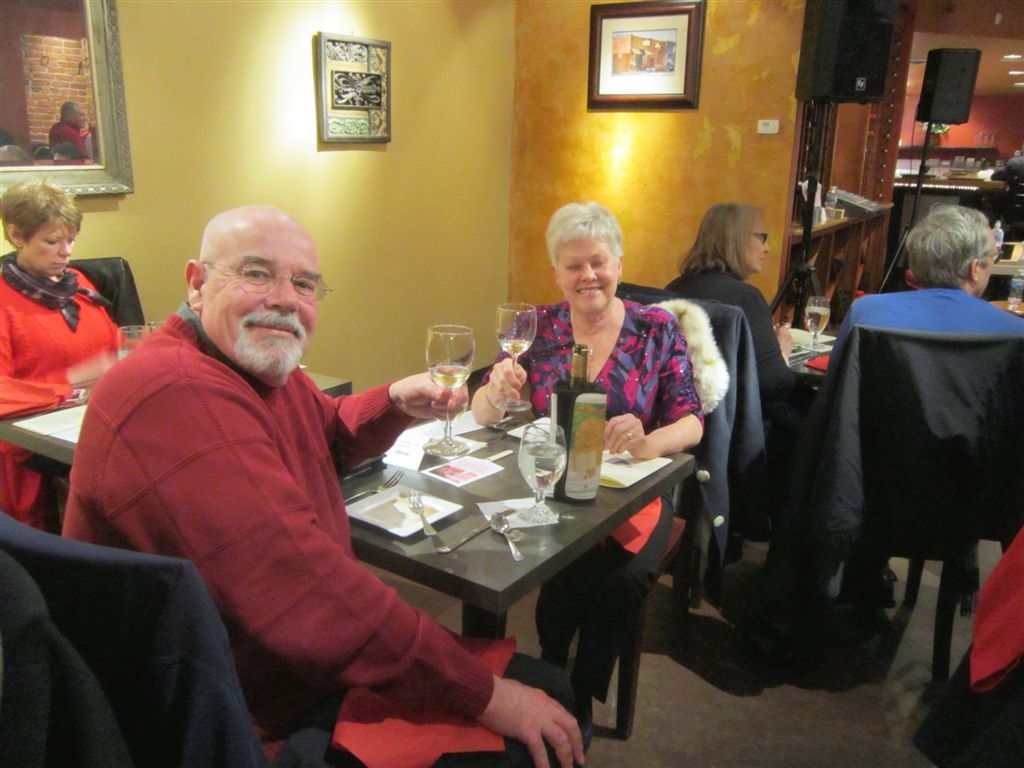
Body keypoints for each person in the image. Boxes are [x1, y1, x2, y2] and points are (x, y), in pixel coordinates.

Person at [62, 205, 584, 768]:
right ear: (197, 283)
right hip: (233, 718)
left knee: (549, 693)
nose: (285, 299)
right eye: (257, 273)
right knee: (534, 731)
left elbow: (324, 429)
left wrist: (393, 402)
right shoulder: (173, 390)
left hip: (286, 668)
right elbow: (309, 596)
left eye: (305, 284)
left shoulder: (253, 370)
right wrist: (487, 694)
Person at [471, 201, 704, 734]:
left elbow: (692, 422)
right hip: (551, 483)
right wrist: (496, 391)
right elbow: (483, 413)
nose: (588, 276)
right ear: (557, 272)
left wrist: (647, 442)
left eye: (598, 262)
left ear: (619, 264)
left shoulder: (656, 327)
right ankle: (544, 666)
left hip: (633, 486)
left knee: (621, 579)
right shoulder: (540, 327)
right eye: (573, 265)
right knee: (541, 561)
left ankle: (579, 688)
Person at [664, 202, 801, 524]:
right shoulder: (746, 298)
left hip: (682, 427)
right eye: (762, 237)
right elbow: (774, 383)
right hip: (738, 437)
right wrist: (782, 350)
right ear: (736, 239)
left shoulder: (671, 289)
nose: (767, 248)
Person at [1, 180, 117, 532]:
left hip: (89, 422)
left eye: (71, 240)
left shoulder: (78, 282)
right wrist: (68, 390)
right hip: (29, 448)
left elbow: (112, 345)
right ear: (17, 236)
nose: (66, 252)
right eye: (53, 242)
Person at [830, 204, 1023, 359]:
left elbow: (840, 386)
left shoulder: (865, 312)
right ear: (975, 269)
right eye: (993, 257)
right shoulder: (1015, 332)